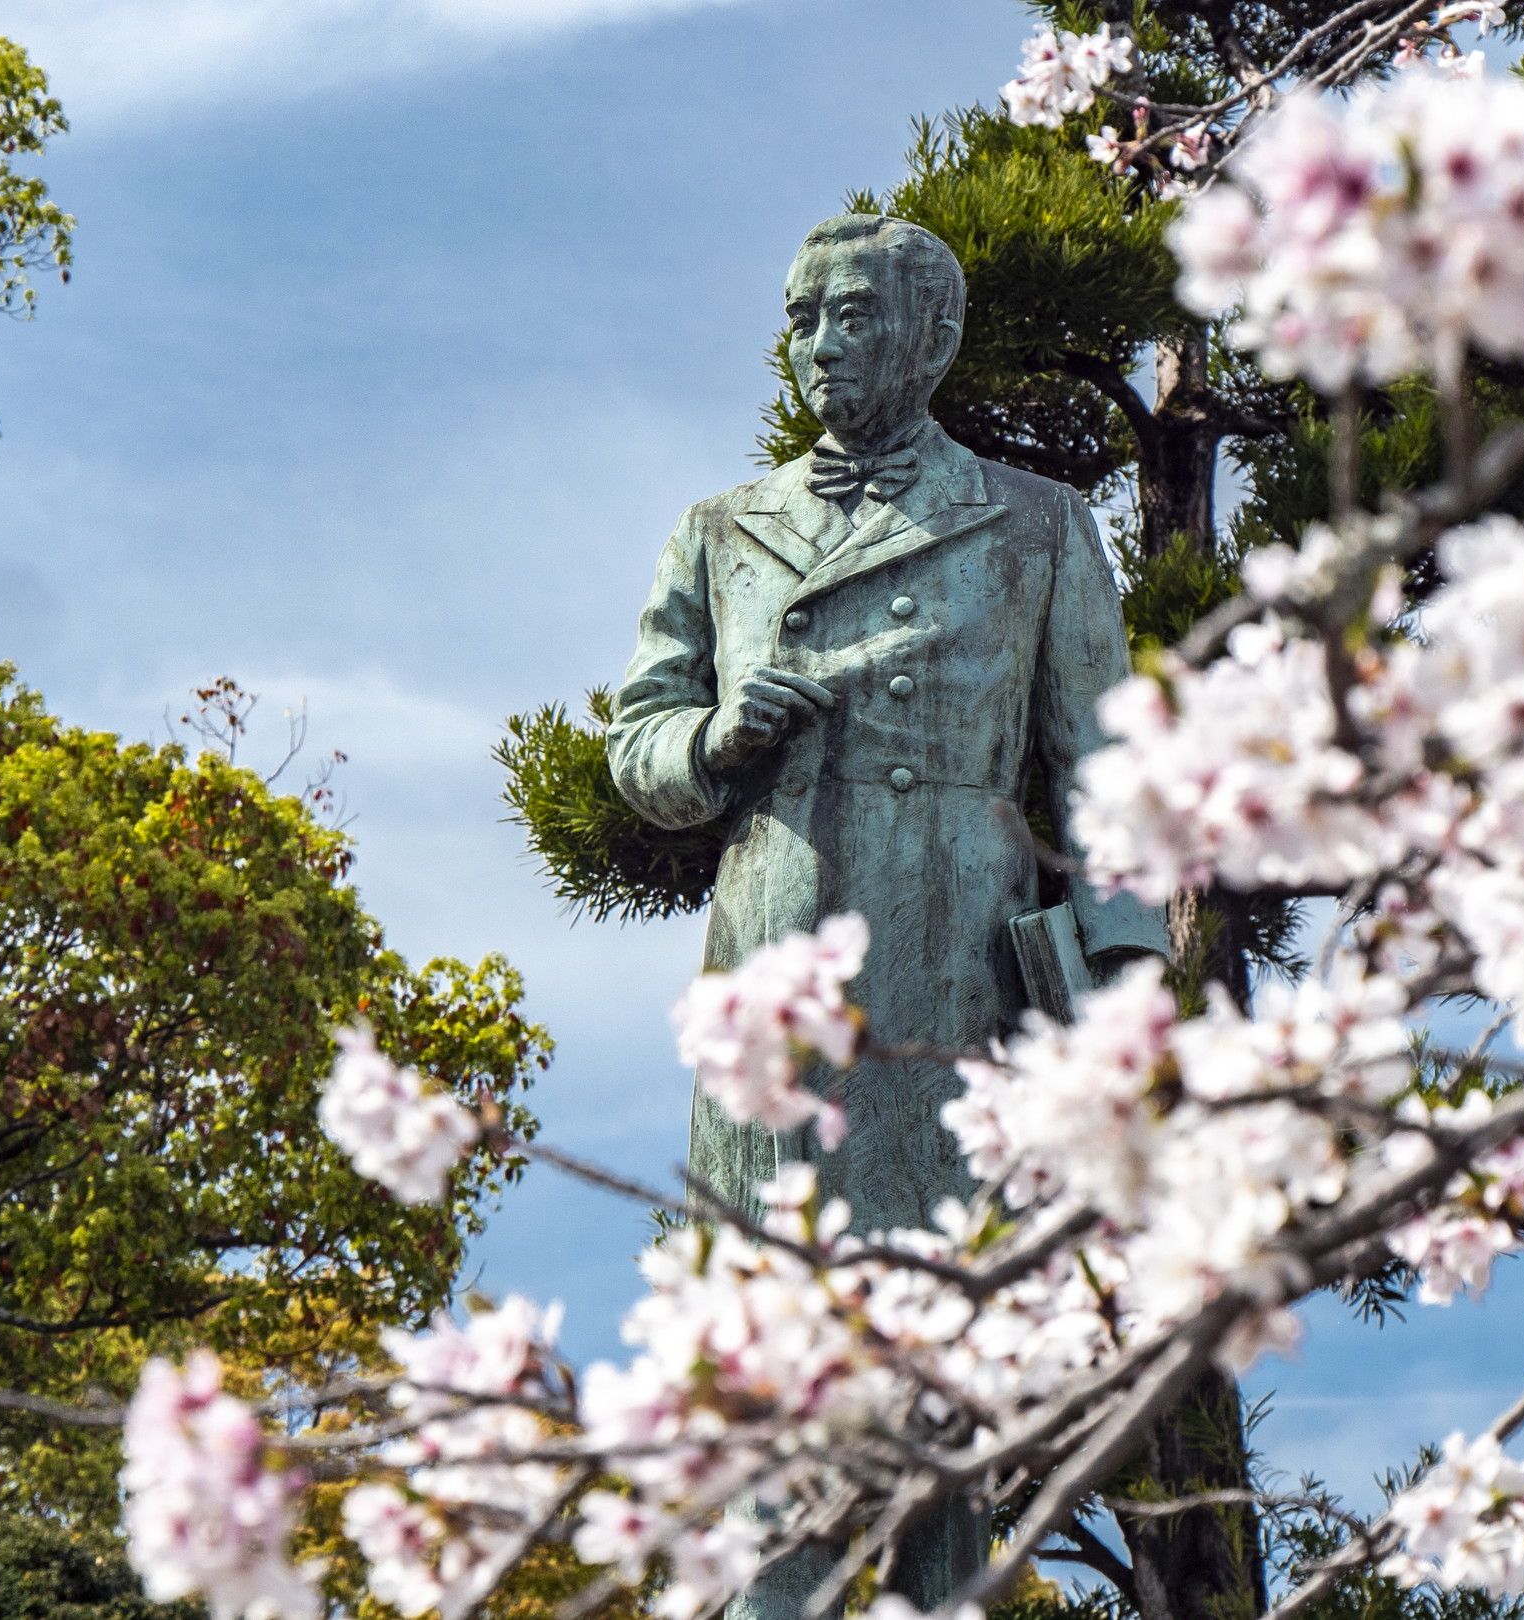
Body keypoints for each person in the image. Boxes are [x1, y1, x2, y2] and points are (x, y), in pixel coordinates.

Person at [607, 212, 1165, 1618]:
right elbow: (639, 744)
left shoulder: (1038, 524)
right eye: (800, 317)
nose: (817, 344)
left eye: (850, 315)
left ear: (934, 335)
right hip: (779, 953)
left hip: (953, 970)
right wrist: (719, 742)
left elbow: (1110, 781)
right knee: (776, 1347)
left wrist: (1124, 995)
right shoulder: (722, 532)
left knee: (940, 1380)